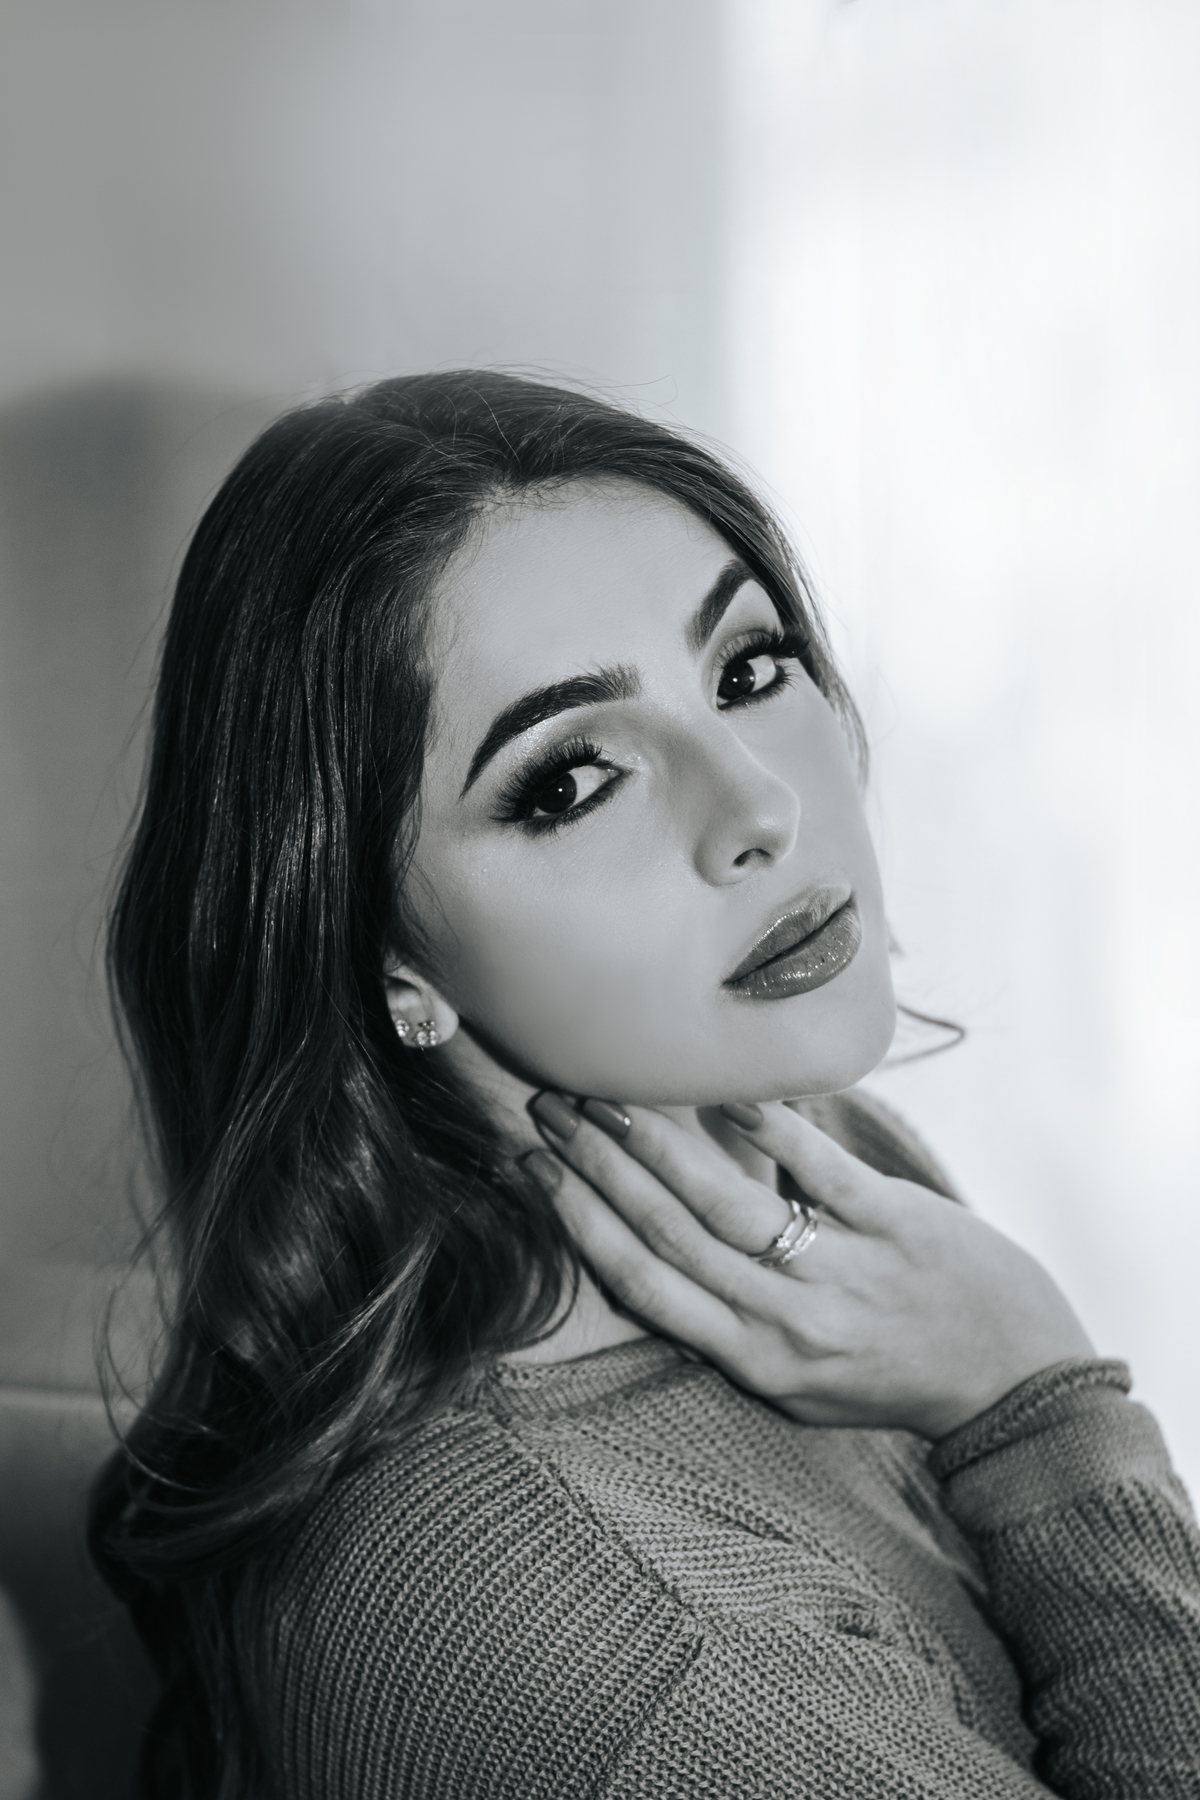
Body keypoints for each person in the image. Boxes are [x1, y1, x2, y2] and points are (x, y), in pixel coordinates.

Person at [89, 370, 1200, 1800]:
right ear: (382, 956)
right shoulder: (613, 1642)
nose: (759, 806)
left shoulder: (819, 1164)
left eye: (748, 669)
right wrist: (1039, 1403)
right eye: (569, 780)